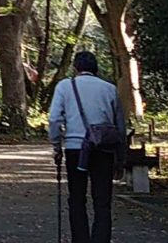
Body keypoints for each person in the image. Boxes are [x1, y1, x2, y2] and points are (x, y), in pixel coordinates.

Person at [46, 49, 124, 243]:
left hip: (76, 148)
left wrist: (56, 145)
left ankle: (80, 239)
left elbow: (54, 119)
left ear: (75, 67)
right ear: (96, 68)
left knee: (77, 198)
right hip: (104, 149)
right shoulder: (109, 89)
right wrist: (120, 156)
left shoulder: (65, 86)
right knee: (102, 200)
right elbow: (120, 126)